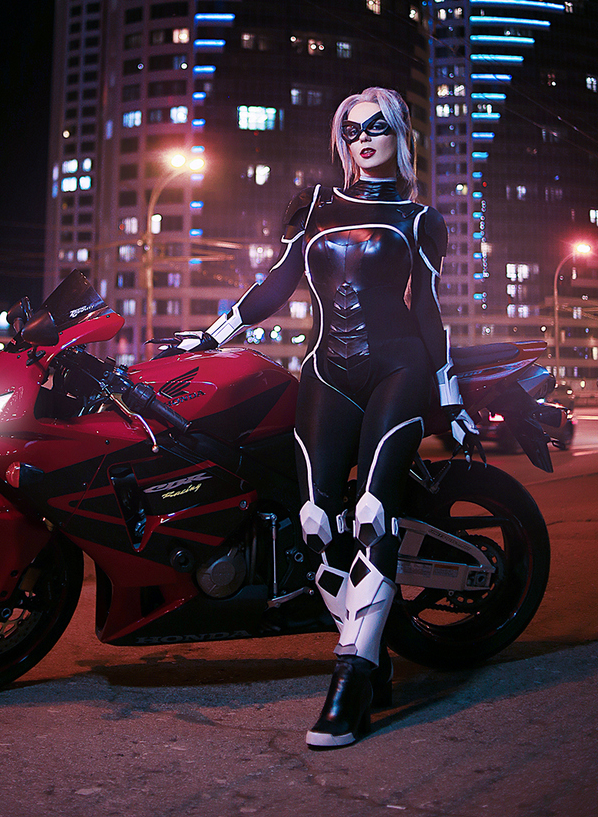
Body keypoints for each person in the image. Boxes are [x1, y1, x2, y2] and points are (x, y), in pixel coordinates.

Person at [167, 87, 477, 748]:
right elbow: (275, 286)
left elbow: (427, 312)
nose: (363, 140)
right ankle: (372, 650)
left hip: (398, 369)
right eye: (351, 131)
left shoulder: (419, 217)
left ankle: (353, 676)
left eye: (377, 129)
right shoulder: (313, 205)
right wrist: (208, 338)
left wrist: (448, 395)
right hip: (326, 372)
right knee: (315, 521)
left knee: (373, 512)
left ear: (399, 135)